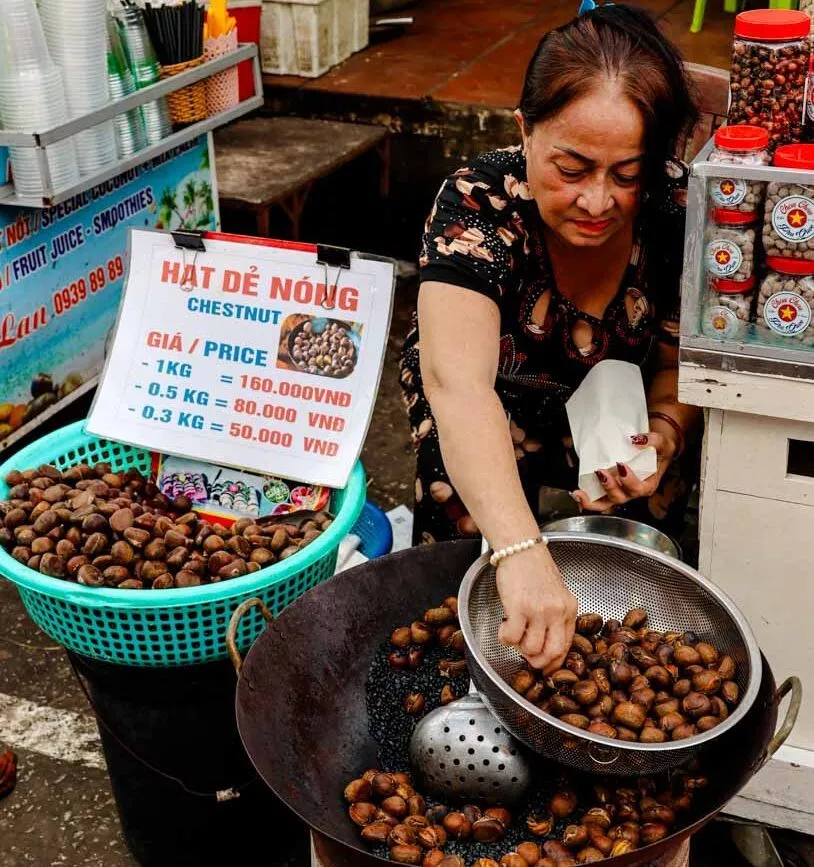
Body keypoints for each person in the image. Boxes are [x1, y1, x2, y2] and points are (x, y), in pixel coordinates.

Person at [399, 3, 702, 673]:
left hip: (612, 402)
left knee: (649, 558)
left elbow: (682, 371)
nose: (598, 202)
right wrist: (518, 548)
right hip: (490, 407)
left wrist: (665, 433)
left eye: (627, 174)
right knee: (470, 530)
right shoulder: (477, 206)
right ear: (525, 133)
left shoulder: (677, 209)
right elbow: (458, 383)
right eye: (571, 168)